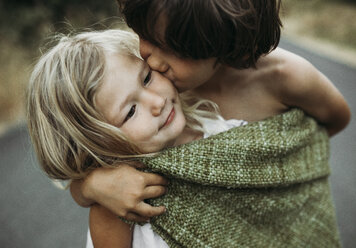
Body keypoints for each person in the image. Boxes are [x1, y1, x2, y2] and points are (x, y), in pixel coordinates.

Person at [71, 0, 351, 226]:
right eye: (145, 35)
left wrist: (280, 169)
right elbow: (87, 158)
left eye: (172, 50)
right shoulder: (144, 81)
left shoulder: (286, 77)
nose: (152, 59)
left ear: (227, 44)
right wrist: (92, 186)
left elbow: (336, 119)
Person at [27, 28, 243, 247]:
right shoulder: (115, 205)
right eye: (130, 112)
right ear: (98, 144)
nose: (157, 102)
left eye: (147, 77)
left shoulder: (218, 117)